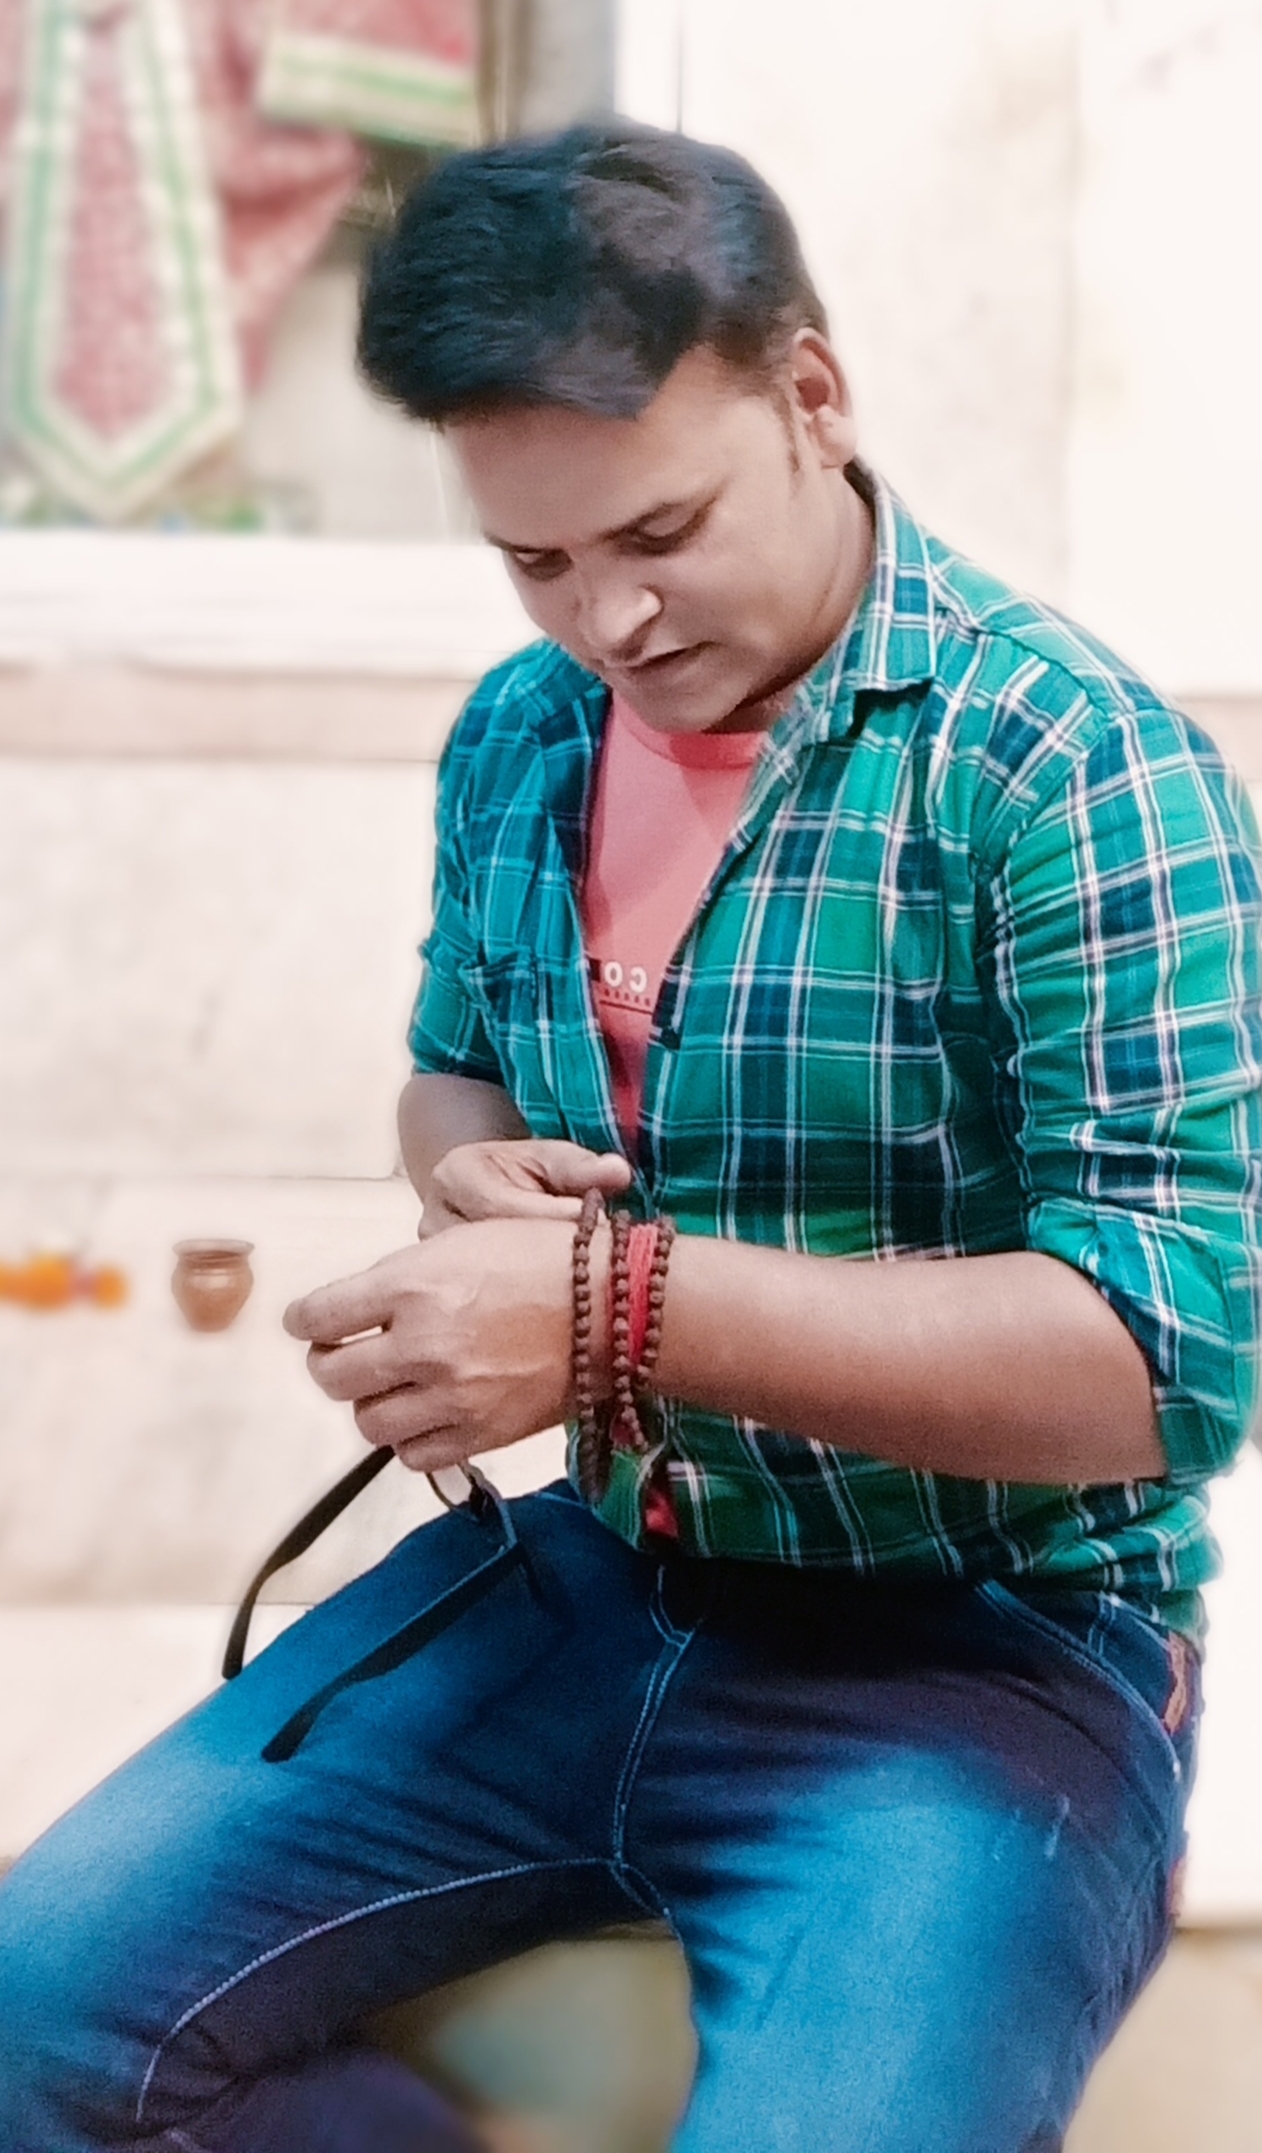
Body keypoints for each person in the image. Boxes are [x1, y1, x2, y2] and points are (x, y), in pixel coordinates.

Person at [1, 121, 1259, 2153]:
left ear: (812, 395)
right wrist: (467, 1174)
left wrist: (605, 1307)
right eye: (536, 560)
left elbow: (1167, 1362)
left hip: (989, 1653)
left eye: (657, 529)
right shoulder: (522, 734)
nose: (608, 618)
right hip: (593, 1584)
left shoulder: (1072, 771)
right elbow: (450, 1070)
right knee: (27, 2029)